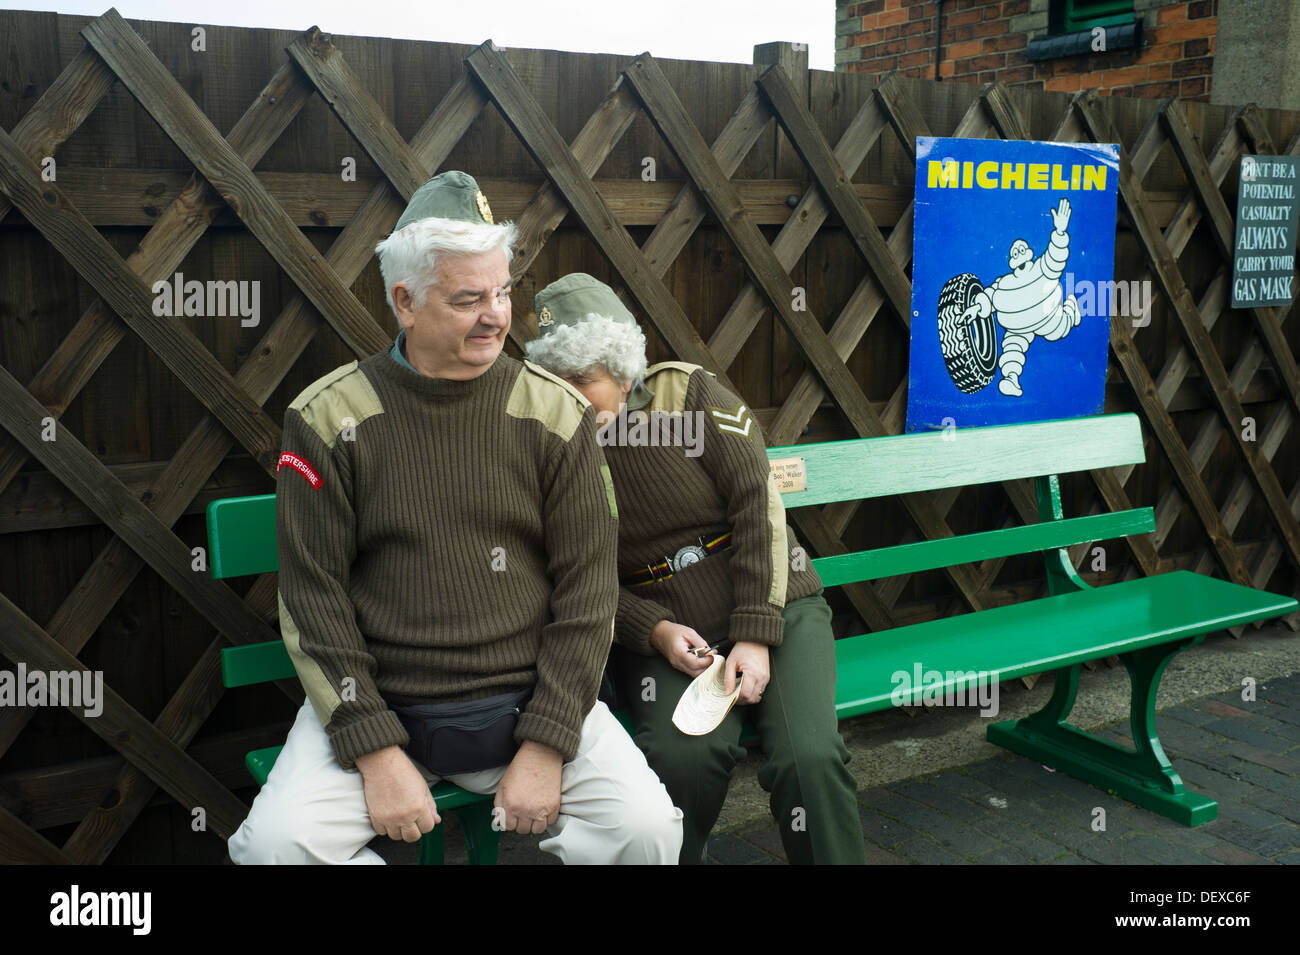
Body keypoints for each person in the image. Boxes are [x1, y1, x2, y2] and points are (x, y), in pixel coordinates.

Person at [227, 174, 682, 864]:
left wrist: (548, 740)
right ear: (404, 301)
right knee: (274, 848)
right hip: (383, 703)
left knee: (647, 829)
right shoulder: (326, 418)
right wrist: (376, 750)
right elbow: (313, 602)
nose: (496, 316)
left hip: (533, 701)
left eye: (502, 292)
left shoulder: (556, 413)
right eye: (469, 298)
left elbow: (589, 594)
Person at [525, 273, 866, 865]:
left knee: (808, 759)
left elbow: (758, 506)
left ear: (624, 374)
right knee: (684, 760)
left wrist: (757, 635)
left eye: (584, 382)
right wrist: (653, 630)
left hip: (774, 604)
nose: (571, 401)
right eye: (556, 384)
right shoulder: (545, 447)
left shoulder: (687, 395)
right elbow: (569, 578)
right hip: (663, 636)